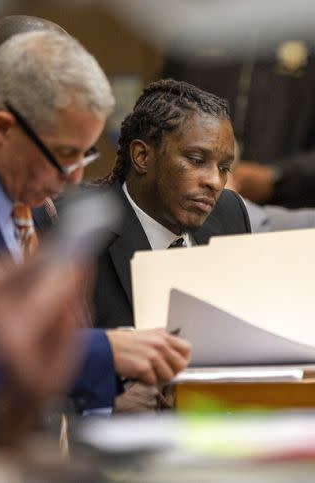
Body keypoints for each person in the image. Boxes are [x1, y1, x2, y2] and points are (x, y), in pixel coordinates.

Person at [0, 29, 189, 429]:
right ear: (2, 129)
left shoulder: (24, 194)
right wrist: (103, 352)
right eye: (65, 154)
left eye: (85, 154)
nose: (72, 180)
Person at [161, 28, 315, 223]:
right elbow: (161, 119)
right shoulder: (198, 21)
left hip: (306, 230)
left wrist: (277, 177)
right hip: (201, 227)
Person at [92, 79, 252, 330]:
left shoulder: (230, 213)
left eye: (223, 168)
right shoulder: (85, 230)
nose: (216, 182)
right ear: (142, 156)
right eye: (197, 160)